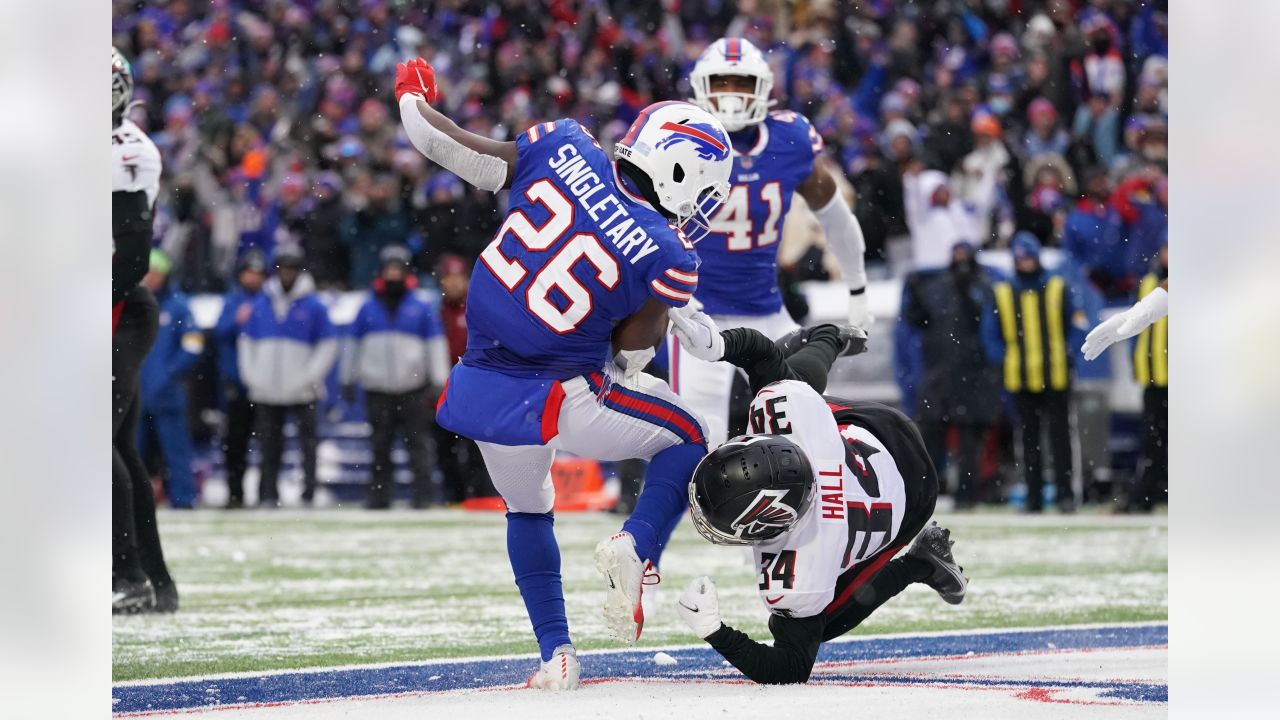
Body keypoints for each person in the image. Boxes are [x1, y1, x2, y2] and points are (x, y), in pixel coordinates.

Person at [395, 58, 732, 690]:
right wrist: (669, 310)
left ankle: (557, 654)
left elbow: (443, 143)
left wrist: (412, 96)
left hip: (482, 383)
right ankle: (637, 547)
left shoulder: (564, 145)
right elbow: (630, 356)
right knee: (691, 432)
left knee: (527, 508)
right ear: (682, 170)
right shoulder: (668, 251)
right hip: (563, 393)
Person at [665, 308, 966, 685]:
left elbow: (791, 668)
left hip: (913, 501)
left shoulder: (806, 567)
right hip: (886, 433)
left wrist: (716, 631)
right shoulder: (799, 428)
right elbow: (761, 353)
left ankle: (919, 563)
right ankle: (829, 337)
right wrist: (718, 347)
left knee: (815, 620)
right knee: (788, 388)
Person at [671, 37, 872, 449]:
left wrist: (858, 290)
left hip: (766, 311)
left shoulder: (789, 139)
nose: (730, 95)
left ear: (763, 87)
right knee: (696, 439)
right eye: (721, 83)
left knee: (803, 430)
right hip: (694, 314)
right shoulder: (675, 136)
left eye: (740, 83)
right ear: (700, 86)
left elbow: (836, 218)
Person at [112, 47, 178, 613]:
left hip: (116, 306)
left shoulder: (126, 149)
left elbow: (130, 258)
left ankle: (129, 576)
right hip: (105, 301)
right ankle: (154, 581)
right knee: (119, 449)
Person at [981, 233, 1088, 512]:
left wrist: (1069, 354)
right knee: (1029, 442)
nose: (1025, 263)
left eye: (1029, 257)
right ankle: (1034, 496)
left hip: (1056, 376)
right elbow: (991, 334)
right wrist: (1004, 361)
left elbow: (1076, 325)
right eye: (1021, 258)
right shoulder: (1003, 291)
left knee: (1061, 439)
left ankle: (1066, 495)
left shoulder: (1057, 286)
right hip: (1021, 378)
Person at [342, 245, 449, 509]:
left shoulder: (421, 308)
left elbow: (435, 345)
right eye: (389, 269)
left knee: (417, 445)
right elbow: (352, 346)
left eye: (398, 269)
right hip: (377, 387)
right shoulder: (367, 308)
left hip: (412, 387)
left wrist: (439, 380)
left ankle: (423, 496)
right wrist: (348, 377)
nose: (393, 274)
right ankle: (379, 497)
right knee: (380, 446)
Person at [900, 241, 1002, 509]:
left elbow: (983, 319)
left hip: (971, 377)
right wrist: (914, 291)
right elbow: (917, 318)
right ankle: (926, 497)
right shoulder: (938, 287)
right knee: (930, 440)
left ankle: (966, 496)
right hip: (940, 377)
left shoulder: (983, 285)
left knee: (969, 444)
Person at [237, 245, 338, 507]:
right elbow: (246, 343)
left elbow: (328, 345)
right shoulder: (260, 304)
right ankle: (268, 493)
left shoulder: (315, 306)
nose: (287, 274)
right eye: (283, 269)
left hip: (303, 388)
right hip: (267, 387)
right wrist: (253, 377)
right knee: (269, 445)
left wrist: (309, 377)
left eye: (292, 269)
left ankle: (309, 493)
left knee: (308, 445)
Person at [138, 249, 204, 509]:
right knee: (133, 455)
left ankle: (184, 500)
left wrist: (170, 373)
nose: (152, 279)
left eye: (156, 273)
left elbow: (193, 345)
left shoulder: (178, 307)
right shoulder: (130, 305)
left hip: (168, 395)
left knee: (176, 452)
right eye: (148, 273)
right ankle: (135, 503)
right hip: (136, 394)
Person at [431, 254, 496, 505]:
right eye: (450, 278)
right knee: (445, 446)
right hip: (446, 387)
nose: (455, 284)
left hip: (476, 388)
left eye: (460, 278)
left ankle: (482, 495)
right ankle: (454, 495)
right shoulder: (434, 313)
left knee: (478, 447)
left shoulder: (479, 308)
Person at [212, 249, 268, 508]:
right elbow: (219, 332)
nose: (253, 279)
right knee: (235, 442)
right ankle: (235, 493)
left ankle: (268, 494)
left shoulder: (270, 301)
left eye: (258, 274)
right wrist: (237, 320)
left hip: (266, 383)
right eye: (249, 273)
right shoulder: (233, 301)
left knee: (268, 442)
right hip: (236, 383)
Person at [1124, 243, 1169, 512]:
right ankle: (1150, 493)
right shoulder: (1149, 281)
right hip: (1153, 375)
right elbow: (1137, 322)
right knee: (1152, 440)